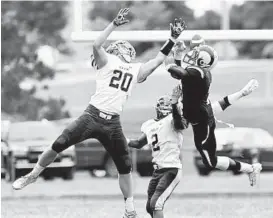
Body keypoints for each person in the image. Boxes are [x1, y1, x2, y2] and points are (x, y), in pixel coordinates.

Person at [12, 8, 186, 218]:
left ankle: (129, 209)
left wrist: (172, 39)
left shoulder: (132, 70)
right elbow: (97, 44)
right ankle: (33, 174)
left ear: (120, 51)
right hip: (92, 116)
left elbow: (158, 60)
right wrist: (113, 24)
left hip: (112, 122)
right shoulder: (108, 62)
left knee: (125, 167)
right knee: (59, 143)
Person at [127, 79, 259, 218]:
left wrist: (241, 93)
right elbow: (138, 143)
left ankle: (248, 168)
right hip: (157, 170)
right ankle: (249, 168)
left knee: (156, 204)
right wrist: (118, 140)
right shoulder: (149, 125)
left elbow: (183, 121)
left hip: (171, 168)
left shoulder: (175, 119)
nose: (164, 107)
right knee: (150, 207)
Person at [166, 43, 262, 187]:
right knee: (209, 160)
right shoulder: (196, 73)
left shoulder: (199, 73)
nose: (192, 55)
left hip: (202, 122)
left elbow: (178, 72)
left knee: (211, 162)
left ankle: (250, 168)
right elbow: (181, 75)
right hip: (199, 114)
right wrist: (177, 56)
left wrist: (170, 63)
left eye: (196, 54)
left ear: (203, 60)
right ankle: (250, 168)